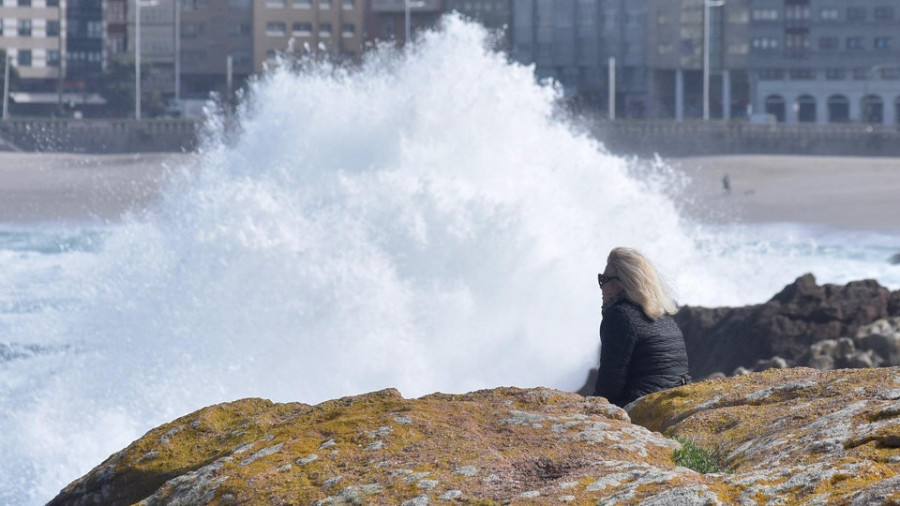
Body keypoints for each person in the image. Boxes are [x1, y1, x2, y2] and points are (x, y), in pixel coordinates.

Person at [592, 247, 690, 408]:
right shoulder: (663, 315)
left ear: (619, 285)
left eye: (603, 280)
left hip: (643, 407)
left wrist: (587, 411)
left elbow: (609, 386)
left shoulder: (620, 316)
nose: (601, 287)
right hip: (674, 402)